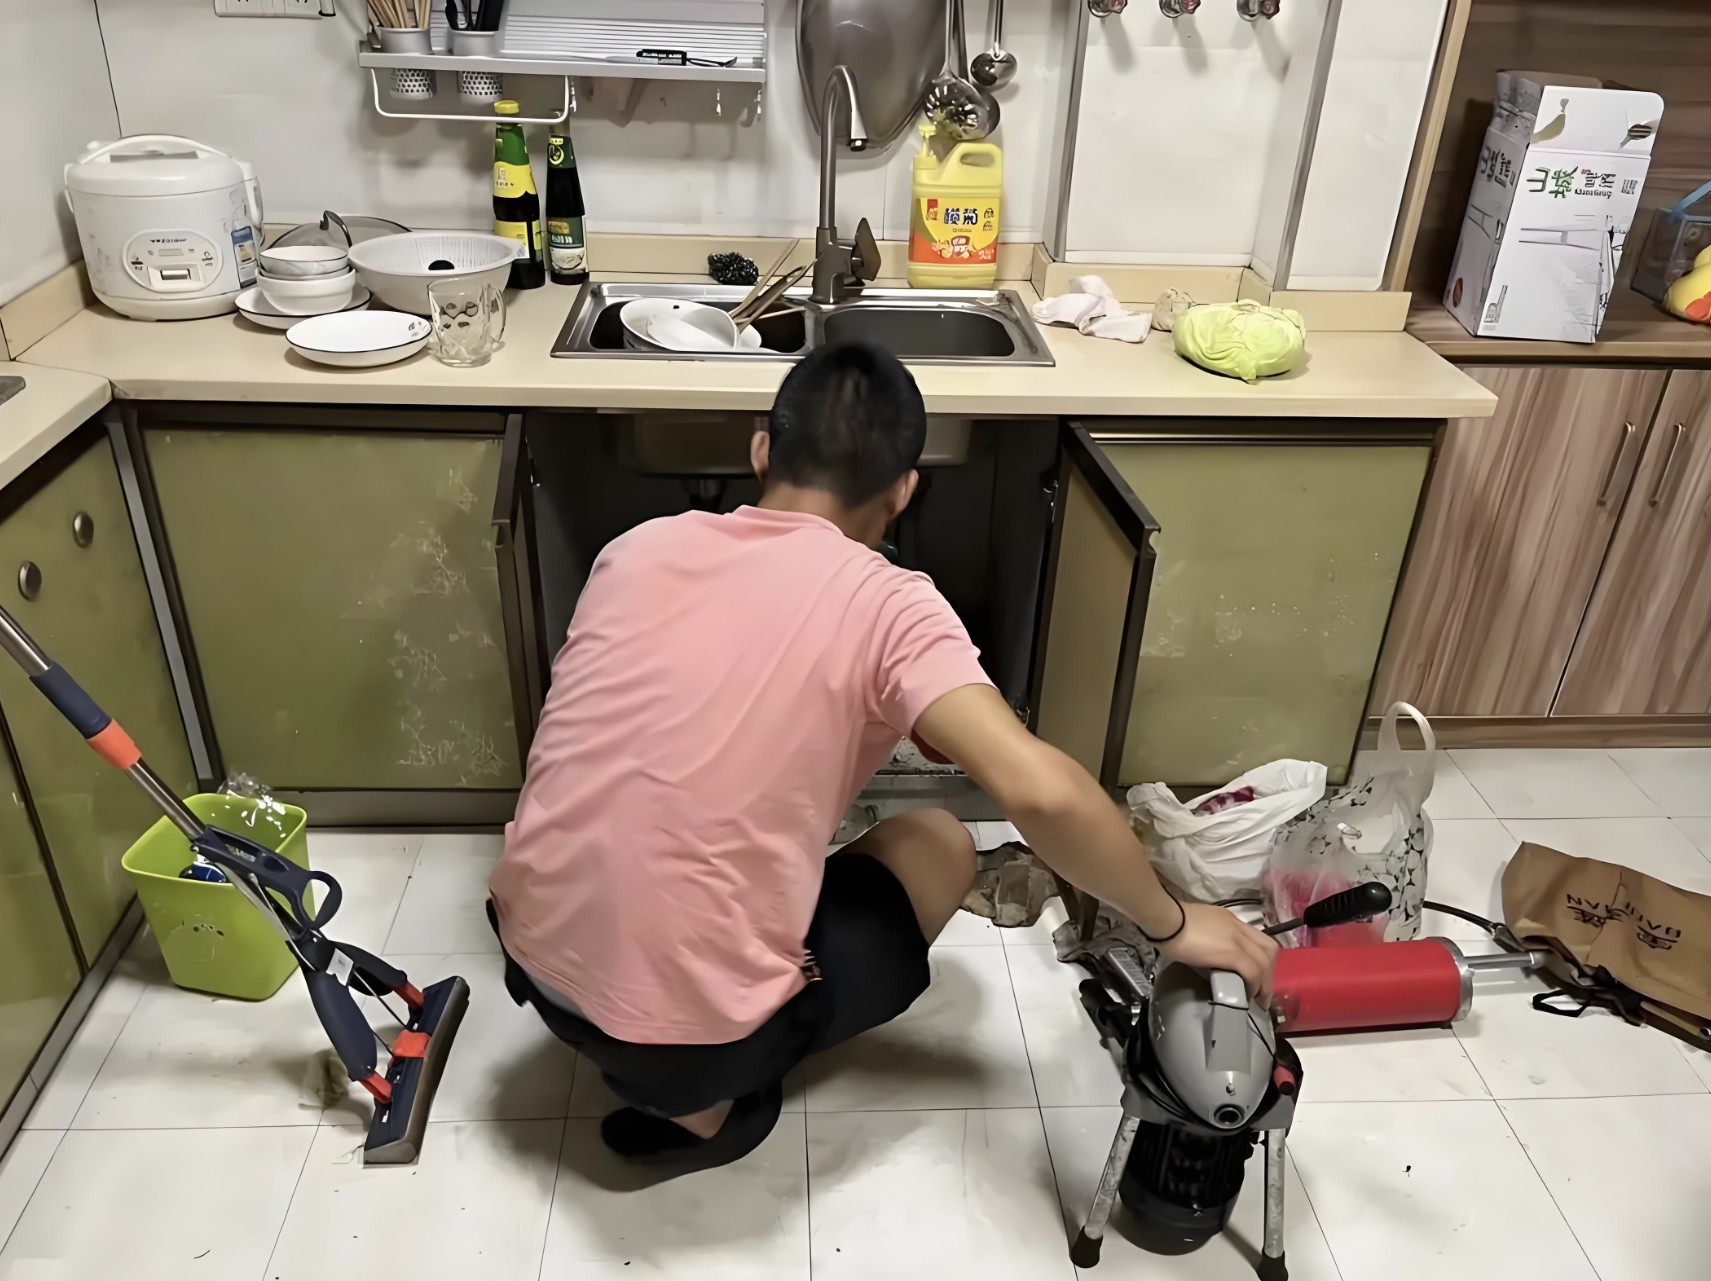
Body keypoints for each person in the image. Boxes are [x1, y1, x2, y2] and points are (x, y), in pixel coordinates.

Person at [488, 342, 1278, 1171]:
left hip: (531, 957)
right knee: (939, 843)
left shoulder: (637, 548)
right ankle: (703, 1107)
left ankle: (649, 1043)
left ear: (760, 451)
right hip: (687, 1041)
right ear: (904, 489)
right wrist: (1173, 921)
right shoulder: (891, 604)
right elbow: (1041, 793)